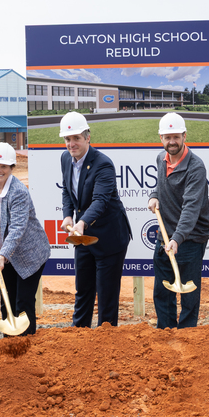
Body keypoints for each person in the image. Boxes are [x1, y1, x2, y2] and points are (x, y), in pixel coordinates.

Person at [60, 111, 132, 328]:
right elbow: (67, 190)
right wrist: (68, 215)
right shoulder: (65, 158)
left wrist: (81, 223)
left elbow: (100, 201)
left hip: (109, 237)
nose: (72, 144)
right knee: (83, 290)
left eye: (76, 139)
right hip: (83, 237)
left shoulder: (103, 164)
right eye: (68, 139)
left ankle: (107, 343)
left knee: (107, 296)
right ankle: (79, 336)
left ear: (87, 138)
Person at [0, 142, 50, 335]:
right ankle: (9, 342)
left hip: (28, 254)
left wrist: (3, 256)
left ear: (12, 168)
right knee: (6, 298)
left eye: (4, 166)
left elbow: (17, 228)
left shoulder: (18, 192)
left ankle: (26, 343)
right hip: (4, 252)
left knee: (23, 302)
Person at [147, 113, 209, 329]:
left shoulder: (196, 167)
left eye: (176, 136)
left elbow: (191, 208)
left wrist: (178, 238)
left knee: (189, 291)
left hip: (191, 237)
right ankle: (165, 333)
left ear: (185, 136)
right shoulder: (160, 158)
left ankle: (186, 336)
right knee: (162, 290)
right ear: (161, 138)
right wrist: (154, 195)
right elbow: (159, 184)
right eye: (167, 137)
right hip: (165, 233)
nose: (171, 142)